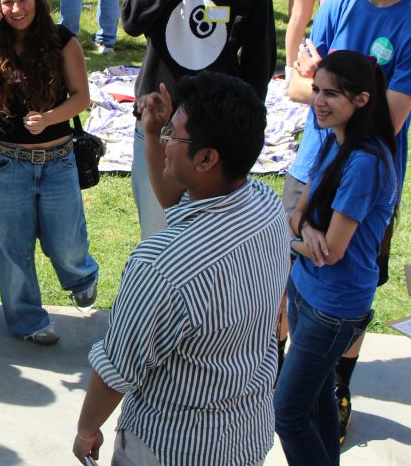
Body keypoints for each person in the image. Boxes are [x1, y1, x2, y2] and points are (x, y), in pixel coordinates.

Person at [71, 71, 289, 466]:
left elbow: (118, 369)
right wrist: (154, 132)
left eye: (173, 134)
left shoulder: (161, 266)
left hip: (169, 449)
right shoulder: (266, 205)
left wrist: (87, 429)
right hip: (245, 437)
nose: (164, 140)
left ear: (206, 158)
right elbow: (178, 203)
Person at [285, 0, 411, 444]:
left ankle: (337, 385)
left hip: (364, 179)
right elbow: (297, 84)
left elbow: (390, 119)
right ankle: (287, 373)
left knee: (348, 282)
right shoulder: (337, 3)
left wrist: (322, 91)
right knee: (290, 276)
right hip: (309, 166)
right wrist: (335, 96)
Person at [122, 0, 276, 238]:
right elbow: (132, 21)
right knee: (158, 230)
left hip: (216, 125)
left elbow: (260, 58)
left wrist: (246, 121)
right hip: (158, 121)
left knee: (216, 232)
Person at [275, 50, 397, 465]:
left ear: (361, 100)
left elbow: (331, 252)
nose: (318, 101)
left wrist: (288, 236)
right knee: (316, 399)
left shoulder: (365, 163)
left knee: (287, 413)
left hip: (333, 308)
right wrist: (304, 231)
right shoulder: (332, 140)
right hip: (307, 291)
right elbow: (298, 214)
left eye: (331, 94)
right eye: (316, 90)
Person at [0, 0, 99, 344]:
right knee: (13, 248)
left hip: (58, 159)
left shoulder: (63, 40)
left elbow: (82, 97)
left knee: (66, 242)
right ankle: (29, 321)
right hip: (7, 162)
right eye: (7, 2)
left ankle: (81, 277)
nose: (16, 9)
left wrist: (48, 119)